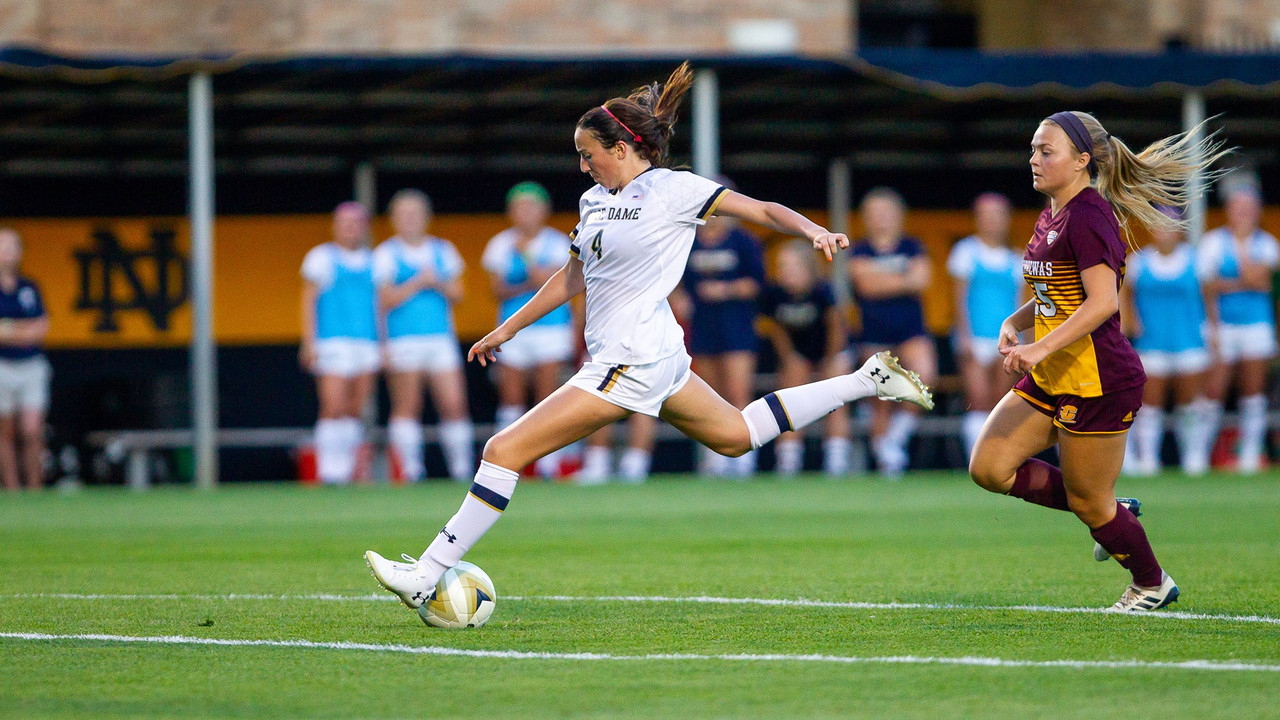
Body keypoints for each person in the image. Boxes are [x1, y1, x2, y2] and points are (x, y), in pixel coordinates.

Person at [365, 62, 933, 610]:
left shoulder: (672, 190)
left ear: (620, 148)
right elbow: (572, 278)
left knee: (502, 450)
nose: (583, 168)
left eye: (588, 156)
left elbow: (758, 208)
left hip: (632, 359)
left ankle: (426, 573)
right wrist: (505, 330)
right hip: (651, 356)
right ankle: (867, 381)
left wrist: (812, 230)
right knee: (736, 435)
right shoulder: (593, 202)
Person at [968, 110, 1227, 612]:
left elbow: (1104, 302)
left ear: (1082, 161)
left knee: (1089, 502)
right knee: (989, 468)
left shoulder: (1089, 215)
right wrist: (1017, 323)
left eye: (1047, 151)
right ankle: (1114, 514)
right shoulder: (1055, 210)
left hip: (1097, 379)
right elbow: (1057, 291)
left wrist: (1039, 346)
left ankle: (1152, 583)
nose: (1034, 159)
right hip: (1055, 374)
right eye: (1034, 149)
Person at [373, 189, 474, 482]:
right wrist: (419, 282)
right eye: (403, 214)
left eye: (415, 213)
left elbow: (458, 294)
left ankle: (462, 470)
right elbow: (383, 301)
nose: (409, 219)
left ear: (426, 218)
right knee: (407, 406)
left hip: (440, 339)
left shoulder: (443, 250)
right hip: (402, 340)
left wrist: (437, 282)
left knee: (454, 404)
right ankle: (410, 471)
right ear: (393, 219)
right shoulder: (385, 254)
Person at [481, 182, 575, 478]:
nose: (526, 213)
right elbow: (498, 290)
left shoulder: (560, 243)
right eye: (520, 207)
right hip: (513, 330)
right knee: (511, 398)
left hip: (552, 328)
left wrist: (526, 260)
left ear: (544, 210)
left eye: (532, 206)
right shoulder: (499, 244)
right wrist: (531, 282)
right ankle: (505, 462)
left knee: (548, 398)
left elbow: (551, 283)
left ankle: (547, 462)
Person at [848, 187, 938, 477]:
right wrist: (903, 279)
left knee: (925, 377)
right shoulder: (860, 249)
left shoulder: (913, 245)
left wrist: (881, 280)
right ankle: (887, 460)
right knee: (880, 397)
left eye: (886, 212)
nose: (881, 219)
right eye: (874, 213)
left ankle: (896, 437)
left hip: (911, 330)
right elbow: (864, 286)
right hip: (874, 332)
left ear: (899, 216)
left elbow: (922, 279)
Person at [1121, 206, 1213, 475]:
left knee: (1191, 404)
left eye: (1170, 226)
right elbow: (1125, 296)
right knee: (1150, 405)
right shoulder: (1138, 262)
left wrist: (1213, 333)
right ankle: (1149, 459)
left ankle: (1194, 458)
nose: (1164, 232)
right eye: (1159, 226)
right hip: (1151, 342)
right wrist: (1130, 322)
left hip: (1189, 340)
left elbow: (1209, 300)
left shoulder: (1197, 261)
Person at [683, 180, 766, 477]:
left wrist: (725, 290)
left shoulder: (744, 241)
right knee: (709, 394)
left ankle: (743, 454)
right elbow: (676, 281)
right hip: (702, 326)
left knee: (737, 390)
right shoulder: (687, 240)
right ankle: (714, 454)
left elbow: (757, 284)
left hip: (736, 325)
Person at [1197, 182, 1278, 474]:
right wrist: (1214, 329)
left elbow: (1259, 280)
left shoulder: (1267, 243)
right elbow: (1208, 290)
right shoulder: (1213, 242)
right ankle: (1199, 455)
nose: (1242, 213)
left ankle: (1250, 455)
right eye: (1237, 208)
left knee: (1253, 392)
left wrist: (1239, 255)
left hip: (1257, 325)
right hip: (1223, 326)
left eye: (1248, 208)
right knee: (1214, 389)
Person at [299, 203, 380, 485]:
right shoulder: (321, 257)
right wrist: (309, 341)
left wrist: (382, 342)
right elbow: (308, 300)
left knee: (355, 409)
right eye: (345, 223)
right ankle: (329, 471)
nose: (350, 228)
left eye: (356, 223)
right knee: (333, 406)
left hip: (366, 342)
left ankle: (349, 469)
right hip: (332, 341)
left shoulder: (375, 261)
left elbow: (379, 304)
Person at [760, 239, 851, 475]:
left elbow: (836, 329)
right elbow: (777, 331)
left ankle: (836, 460)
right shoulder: (774, 293)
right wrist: (790, 357)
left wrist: (828, 362)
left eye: (792, 267)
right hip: (800, 353)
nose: (785, 273)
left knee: (834, 391)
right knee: (789, 391)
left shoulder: (823, 290)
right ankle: (789, 458)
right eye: (782, 267)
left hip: (832, 351)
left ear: (809, 268)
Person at [947, 193, 1023, 459]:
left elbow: (1020, 303)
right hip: (974, 337)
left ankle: (995, 458)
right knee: (978, 399)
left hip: (1005, 340)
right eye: (986, 215)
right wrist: (964, 337)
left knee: (1000, 401)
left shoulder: (1017, 258)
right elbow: (958, 299)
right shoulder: (966, 251)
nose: (992, 221)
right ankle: (975, 457)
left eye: (998, 215)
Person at [0, 229, 50, 491]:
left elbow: (40, 328)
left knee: (31, 430)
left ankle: (34, 488)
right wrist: (22, 330)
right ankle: (12, 489)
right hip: (2, 366)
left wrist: (9, 330)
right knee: (5, 431)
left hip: (31, 365)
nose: (6, 252)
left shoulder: (29, 287)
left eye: (11, 247)